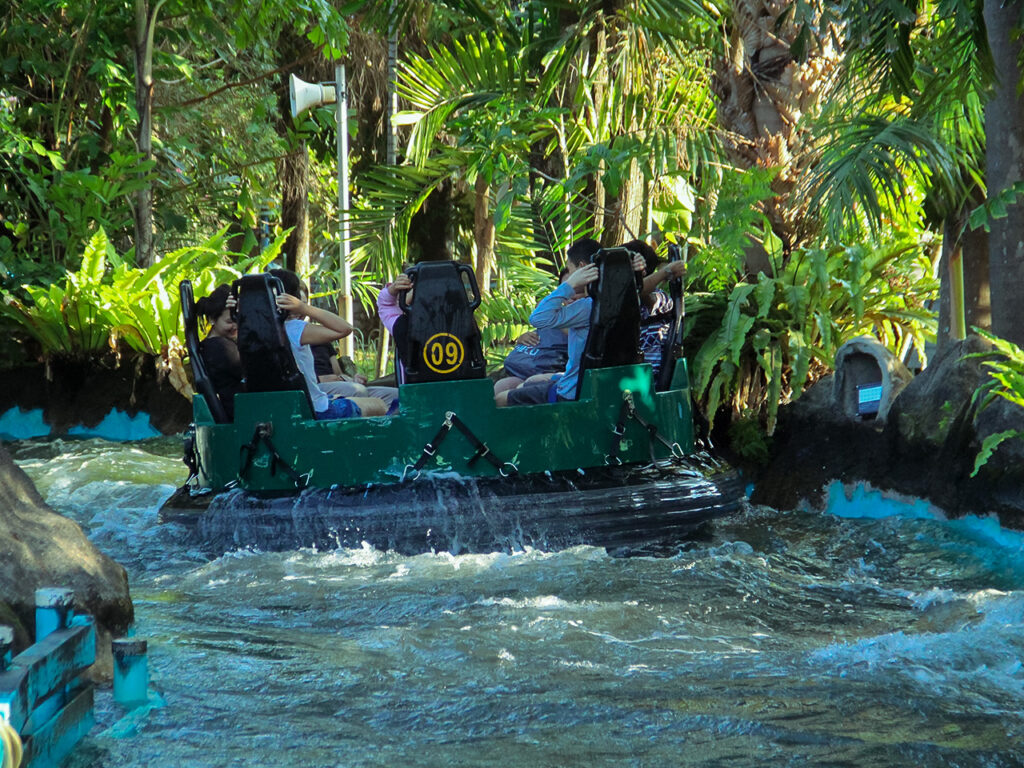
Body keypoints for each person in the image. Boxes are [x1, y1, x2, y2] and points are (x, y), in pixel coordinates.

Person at [496, 238, 645, 406]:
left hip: (572, 391)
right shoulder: (624, 305)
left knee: (500, 399)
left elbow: (537, 318)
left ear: (581, 267)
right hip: (600, 386)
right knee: (533, 380)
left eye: (570, 269)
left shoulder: (587, 307)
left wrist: (570, 284)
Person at [269, 269, 387, 419]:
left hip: (291, 407)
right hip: (316, 408)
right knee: (380, 405)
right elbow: (345, 328)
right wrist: (304, 308)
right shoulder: (293, 328)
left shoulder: (252, 330)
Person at [492, 269, 571, 396]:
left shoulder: (584, 314)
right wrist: (523, 338)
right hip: (521, 368)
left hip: (547, 375)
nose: (571, 295)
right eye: (566, 289)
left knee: (519, 388)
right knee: (496, 386)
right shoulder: (555, 313)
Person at [625, 239, 685, 380]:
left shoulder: (660, 299)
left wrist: (665, 272)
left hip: (649, 378)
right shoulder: (619, 298)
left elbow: (638, 291)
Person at [195, 284, 244, 419]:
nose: (236, 326)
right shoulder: (220, 348)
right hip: (239, 415)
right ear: (212, 319)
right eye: (230, 321)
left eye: (239, 319)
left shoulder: (213, 345)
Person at [310, 340, 400, 412]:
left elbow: (338, 373)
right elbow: (344, 329)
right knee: (358, 391)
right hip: (314, 387)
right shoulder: (297, 340)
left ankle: (384, 430)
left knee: (396, 395)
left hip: (338, 385)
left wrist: (352, 379)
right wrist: (320, 379)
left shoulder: (321, 339)